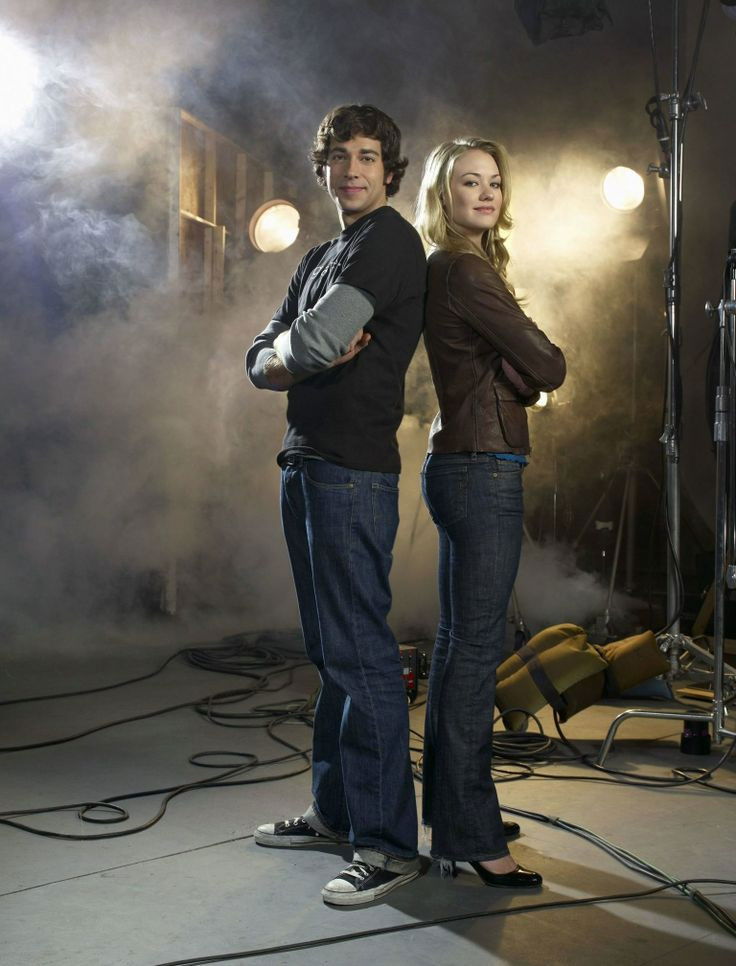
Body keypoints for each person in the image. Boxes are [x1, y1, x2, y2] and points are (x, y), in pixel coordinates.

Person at [245, 104, 426, 906]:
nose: (352, 169)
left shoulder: (389, 242)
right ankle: (336, 814)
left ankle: (388, 847)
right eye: (339, 156)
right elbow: (261, 357)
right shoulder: (321, 255)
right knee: (330, 653)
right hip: (307, 462)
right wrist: (291, 359)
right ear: (322, 169)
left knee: (361, 656)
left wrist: (293, 356)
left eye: (368, 156)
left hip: (352, 471)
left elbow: (308, 345)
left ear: (390, 170)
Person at [414, 137, 566, 888]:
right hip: (481, 466)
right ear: (443, 194)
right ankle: (471, 832)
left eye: (494, 182)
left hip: (459, 462)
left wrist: (522, 372)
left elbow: (527, 371)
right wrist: (527, 373)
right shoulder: (466, 270)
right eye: (469, 181)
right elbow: (550, 365)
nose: (485, 193)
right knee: (477, 649)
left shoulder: (454, 267)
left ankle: (455, 811)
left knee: (459, 647)